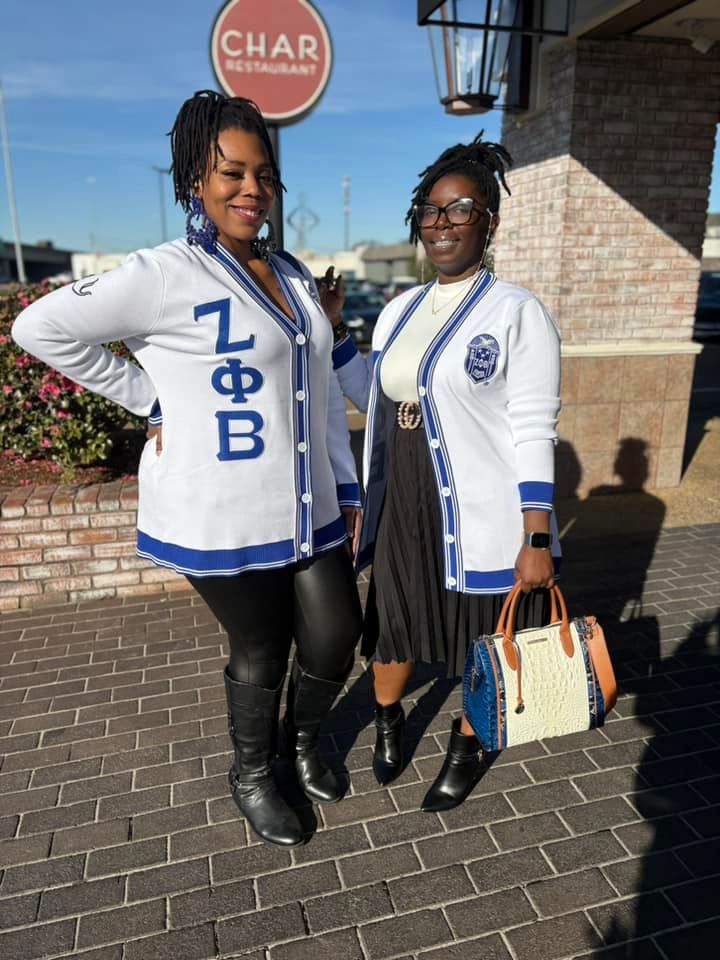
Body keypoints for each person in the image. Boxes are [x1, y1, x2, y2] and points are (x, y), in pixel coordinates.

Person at [12, 90, 363, 847]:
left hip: (311, 503)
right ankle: (251, 772)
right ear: (194, 181)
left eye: (263, 174)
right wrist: (150, 397)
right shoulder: (163, 272)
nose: (251, 189)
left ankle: (301, 743)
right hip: (222, 508)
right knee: (262, 648)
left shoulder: (294, 272)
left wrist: (350, 483)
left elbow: (323, 390)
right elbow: (38, 327)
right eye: (230, 172)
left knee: (337, 634)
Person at [328, 135, 561, 811]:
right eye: (429, 211)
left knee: (484, 637)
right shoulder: (400, 307)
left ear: (488, 219)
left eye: (459, 209)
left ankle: (469, 742)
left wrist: (537, 536)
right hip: (403, 497)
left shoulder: (517, 311)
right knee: (396, 621)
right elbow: (379, 388)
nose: (441, 223)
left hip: (480, 510)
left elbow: (533, 426)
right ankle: (390, 720)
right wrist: (340, 333)